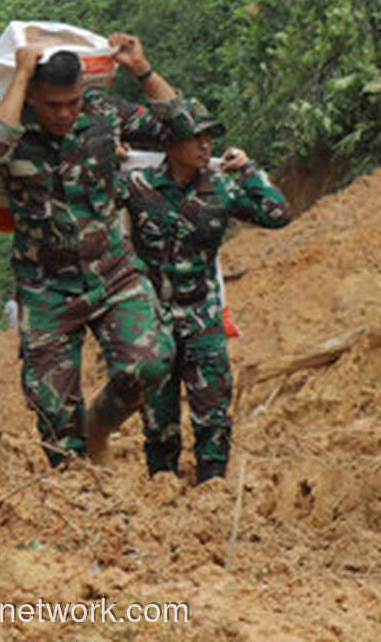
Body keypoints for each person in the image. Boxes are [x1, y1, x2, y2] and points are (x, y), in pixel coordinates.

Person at [0, 31, 197, 468]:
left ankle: (98, 426)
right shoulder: (14, 124)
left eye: (72, 102)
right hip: (47, 289)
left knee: (151, 365)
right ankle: (77, 488)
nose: (64, 113)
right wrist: (21, 73)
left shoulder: (103, 114)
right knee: (55, 417)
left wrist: (141, 69)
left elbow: (182, 126)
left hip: (113, 274)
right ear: (32, 96)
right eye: (52, 105)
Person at [119, 101, 292, 483]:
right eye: (194, 137)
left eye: (208, 138)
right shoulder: (137, 186)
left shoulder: (221, 189)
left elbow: (278, 214)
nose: (205, 146)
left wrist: (248, 169)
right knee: (158, 419)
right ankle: (161, 486)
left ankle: (213, 487)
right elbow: (89, 199)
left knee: (213, 413)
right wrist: (108, 154)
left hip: (202, 316)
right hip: (154, 320)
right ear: (169, 143)